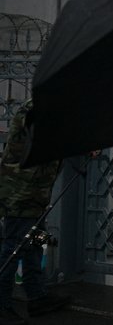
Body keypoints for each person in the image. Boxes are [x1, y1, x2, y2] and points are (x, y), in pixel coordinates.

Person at [0, 101, 71, 325]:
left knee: (35, 242)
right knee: (14, 247)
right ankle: (2, 305)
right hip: (20, 192)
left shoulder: (51, 108)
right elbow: (43, 140)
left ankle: (37, 295)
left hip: (35, 193)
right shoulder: (34, 109)